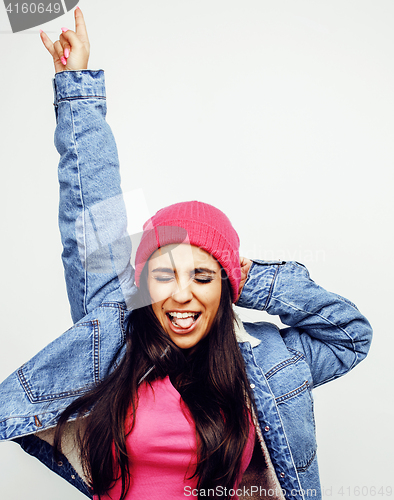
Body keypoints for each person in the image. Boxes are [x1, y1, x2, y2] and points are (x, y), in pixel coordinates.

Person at [0, 8, 372, 500]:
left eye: (202, 275)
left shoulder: (264, 363)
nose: (181, 294)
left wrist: (253, 277)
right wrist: (76, 88)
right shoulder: (112, 339)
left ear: (224, 286)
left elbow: (349, 335)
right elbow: (93, 218)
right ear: (142, 284)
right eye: (164, 274)